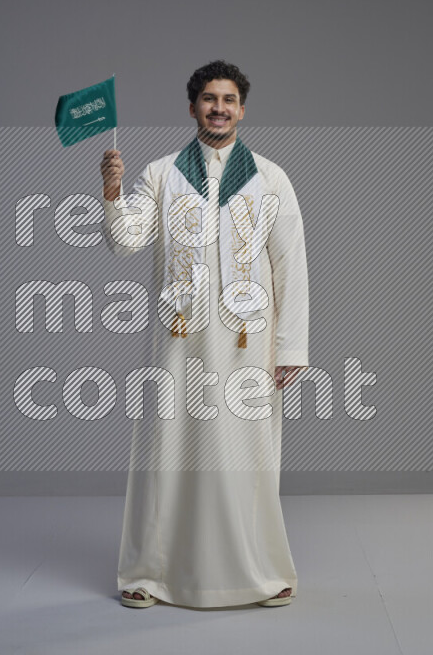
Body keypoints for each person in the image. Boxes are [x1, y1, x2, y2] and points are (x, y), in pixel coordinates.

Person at [100, 60, 309, 609]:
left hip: (248, 339)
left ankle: (259, 570)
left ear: (242, 109)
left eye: (229, 99)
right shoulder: (161, 173)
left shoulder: (270, 177)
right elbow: (126, 241)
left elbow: (290, 263)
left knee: (247, 452)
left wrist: (290, 347)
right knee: (167, 450)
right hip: (179, 339)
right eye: (209, 98)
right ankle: (151, 574)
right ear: (192, 106)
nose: (219, 108)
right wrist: (113, 190)